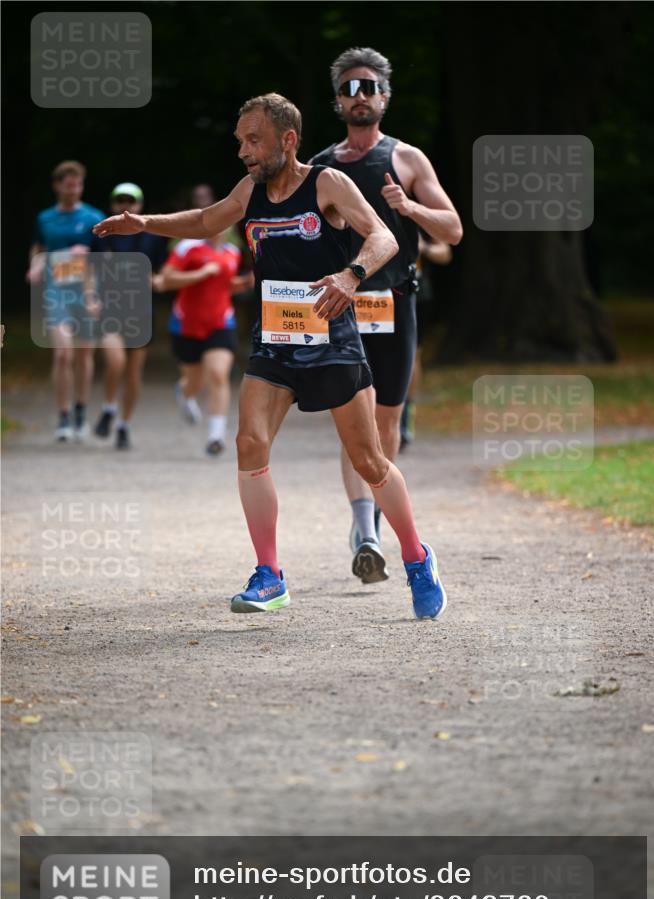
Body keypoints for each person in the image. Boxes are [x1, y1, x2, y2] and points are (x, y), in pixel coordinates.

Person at [93, 93, 446, 619]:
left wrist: (352, 276)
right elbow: (206, 220)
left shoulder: (327, 182)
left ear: (287, 139)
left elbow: (382, 237)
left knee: (368, 460)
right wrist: (145, 223)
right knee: (249, 442)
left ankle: (417, 557)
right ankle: (269, 574)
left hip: (332, 339)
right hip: (274, 342)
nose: (242, 151)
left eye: (252, 139)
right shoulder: (249, 191)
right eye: (239, 141)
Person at [310, 47, 462, 584]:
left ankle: (370, 516)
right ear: (337, 100)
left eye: (369, 87)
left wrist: (410, 208)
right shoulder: (323, 168)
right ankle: (367, 533)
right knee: (353, 421)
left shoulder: (407, 159)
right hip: (341, 309)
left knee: (388, 421)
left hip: (396, 304)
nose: (360, 96)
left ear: (385, 96)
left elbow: (452, 230)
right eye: (350, 88)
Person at [153, 229, 253, 455]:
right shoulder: (188, 246)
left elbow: (225, 285)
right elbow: (167, 279)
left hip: (221, 323)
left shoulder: (232, 252)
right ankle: (185, 392)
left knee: (218, 374)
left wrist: (245, 282)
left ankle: (215, 436)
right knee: (194, 381)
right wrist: (201, 273)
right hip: (186, 324)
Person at [27, 161, 105, 441]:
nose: (74, 190)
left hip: (85, 291)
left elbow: (102, 258)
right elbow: (38, 247)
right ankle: (62, 417)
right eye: (69, 185)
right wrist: (35, 266)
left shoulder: (94, 216)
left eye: (78, 185)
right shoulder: (45, 218)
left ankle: (80, 411)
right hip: (56, 291)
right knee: (62, 354)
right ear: (57, 186)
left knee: (84, 354)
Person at [90, 183, 169, 449]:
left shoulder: (152, 234)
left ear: (140, 205)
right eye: (120, 200)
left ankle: (123, 424)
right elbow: (91, 268)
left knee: (134, 372)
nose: (126, 205)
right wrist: (90, 296)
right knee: (115, 362)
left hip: (140, 309)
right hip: (111, 305)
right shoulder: (101, 232)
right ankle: (109, 406)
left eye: (131, 201)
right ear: (112, 204)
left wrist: (157, 279)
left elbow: (165, 268)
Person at [400, 233, 453, 450]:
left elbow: (445, 253)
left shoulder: (417, 208)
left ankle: (405, 417)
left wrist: (423, 247)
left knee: (412, 355)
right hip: (375, 293)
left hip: (417, 293)